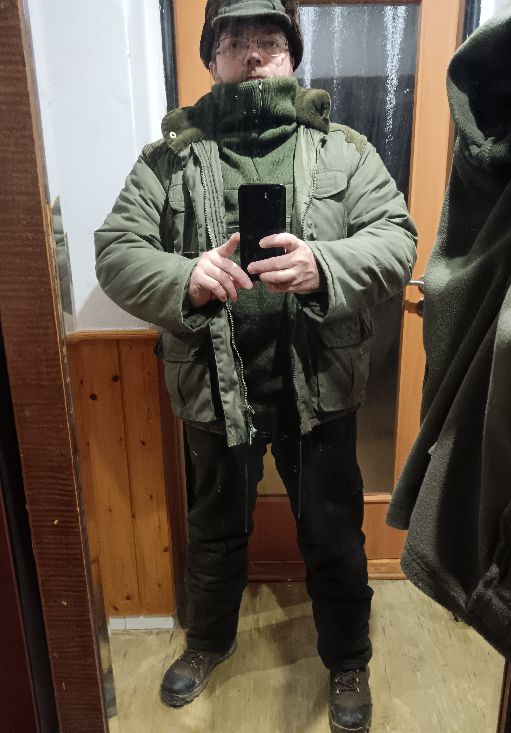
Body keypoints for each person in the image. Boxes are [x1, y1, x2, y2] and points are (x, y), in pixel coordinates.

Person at [95, 1, 417, 731]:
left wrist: (324, 262)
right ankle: (207, 642)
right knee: (214, 530)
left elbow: (397, 238)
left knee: (334, 535)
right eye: (235, 40)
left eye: (268, 40)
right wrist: (183, 276)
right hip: (213, 387)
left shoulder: (345, 151)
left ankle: (348, 658)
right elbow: (117, 249)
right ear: (211, 57)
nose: (252, 54)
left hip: (320, 386)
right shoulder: (169, 157)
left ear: (292, 54)